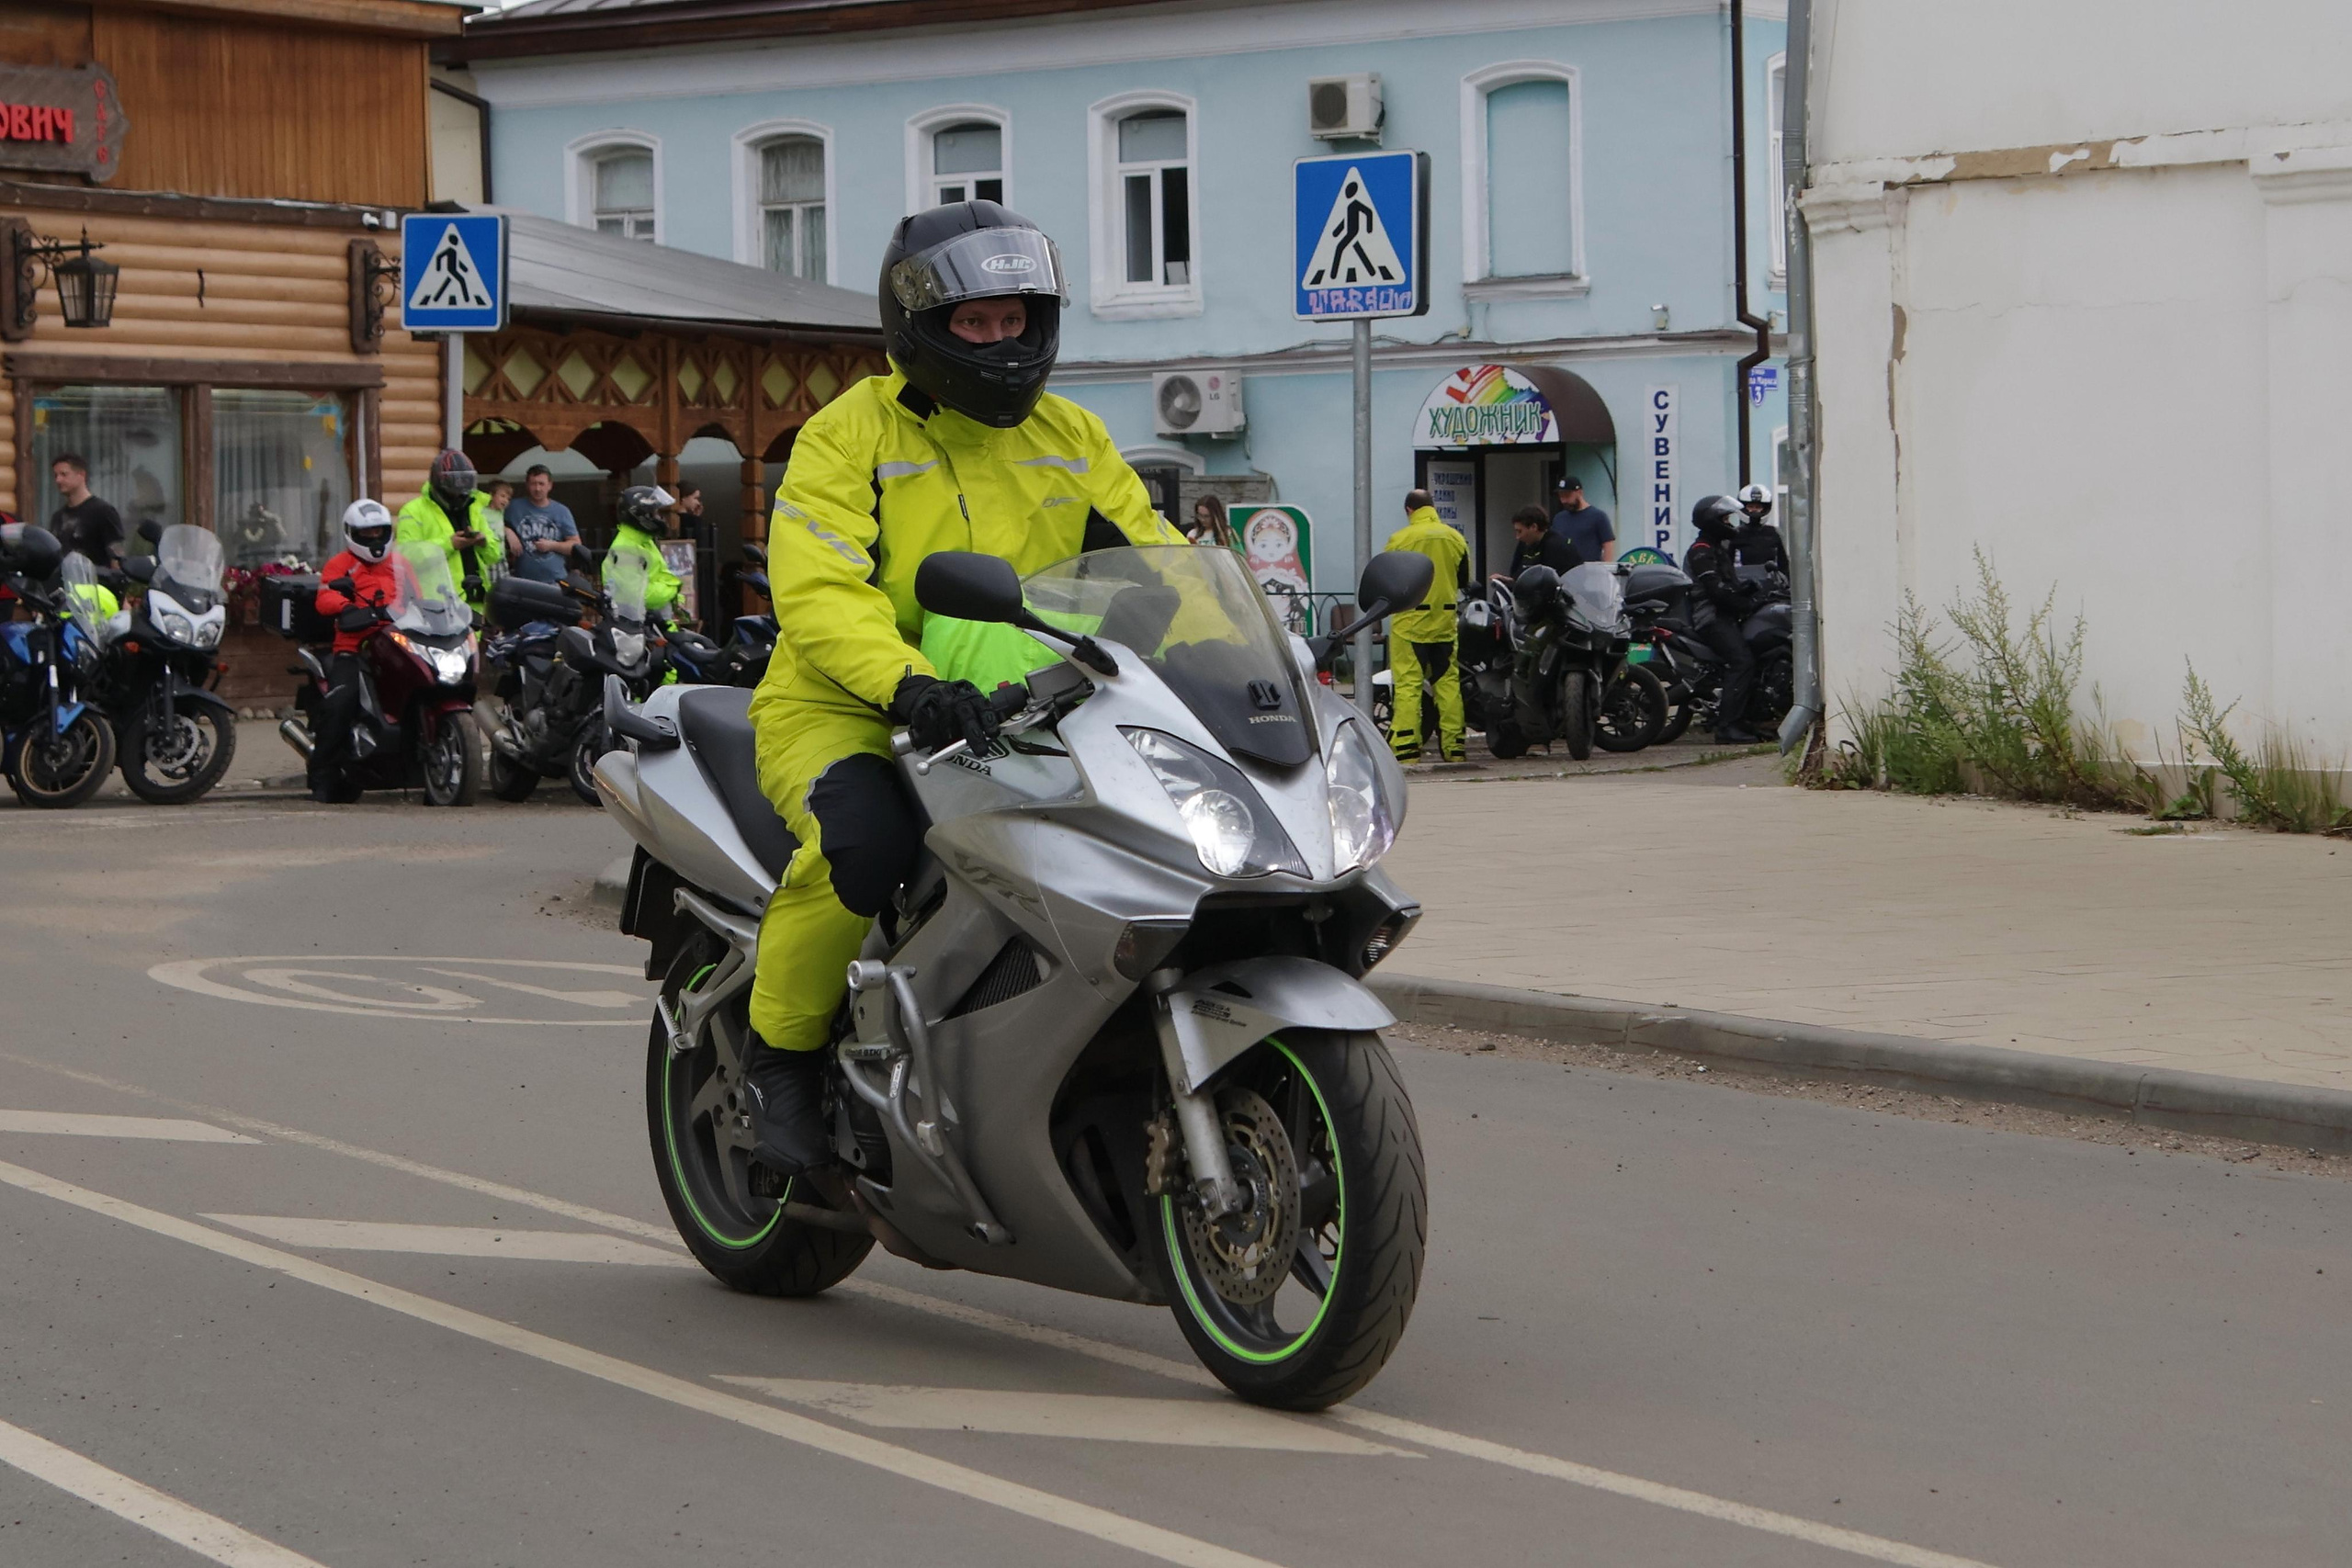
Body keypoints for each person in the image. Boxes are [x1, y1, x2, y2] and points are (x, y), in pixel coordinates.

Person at [739, 199, 1183, 1177]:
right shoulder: (845, 436)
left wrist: (1244, 652)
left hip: (1034, 708)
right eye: (973, 322)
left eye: (1012, 319)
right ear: (920, 326)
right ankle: (778, 1058)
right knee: (862, 846)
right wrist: (908, 684)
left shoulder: (1072, 434)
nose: (998, 341)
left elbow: (1156, 558)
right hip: (848, 707)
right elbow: (820, 589)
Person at [308, 500, 401, 803]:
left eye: (379, 532)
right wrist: (347, 608)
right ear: (352, 533)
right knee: (341, 703)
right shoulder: (340, 564)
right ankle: (322, 776)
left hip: (396, 642)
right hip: (355, 646)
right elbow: (325, 597)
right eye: (367, 533)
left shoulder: (401, 564)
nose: (374, 538)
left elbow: (421, 593)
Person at [1383, 490, 1469, 763]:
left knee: (1409, 685)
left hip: (1409, 623)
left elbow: (1387, 581)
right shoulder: (1455, 538)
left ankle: (1407, 750)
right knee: (1447, 682)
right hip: (1444, 622)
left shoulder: (1400, 539)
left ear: (1409, 510)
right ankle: (1455, 748)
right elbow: (1463, 579)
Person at [1683, 493, 1761, 744]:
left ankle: (1744, 719)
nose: (1730, 524)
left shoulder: (1718, 549)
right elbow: (1716, 591)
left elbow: (1730, 586)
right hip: (1710, 618)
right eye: (1726, 519)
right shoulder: (1701, 551)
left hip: (1724, 615)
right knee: (1741, 662)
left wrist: (1751, 593)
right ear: (1713, 521)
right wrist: (1744, 602)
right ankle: (1727, 727)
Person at [396, 449, 501, 613]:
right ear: (440, 485)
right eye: (454, 491)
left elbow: (494, 555)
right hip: (436, 605)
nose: (460, 496)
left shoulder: (473, 507)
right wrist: (449, 545)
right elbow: (407, 557)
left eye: (464, 489)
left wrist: (483, 542)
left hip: (475, 601)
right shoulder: (413, 511)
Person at [605, 483, 684, 622]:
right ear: (641, 515)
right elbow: (640, 595)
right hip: (638, 626)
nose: (660, 518)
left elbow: (657, 575)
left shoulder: (644, 541)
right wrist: (672, 589)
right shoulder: (625, 549)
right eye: (656, 513)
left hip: (655, 623)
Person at [504, 465, 580, 583]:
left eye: (541, 484)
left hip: (555, 581)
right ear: (527, 485)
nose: (537, 488)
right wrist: (507, 531)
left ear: (550, 485)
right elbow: (489, 521)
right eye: (533, 484)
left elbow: (576, 546)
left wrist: (552, 545)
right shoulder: (513, 507)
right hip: (522, 581)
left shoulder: (561, 511)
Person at [47, 455, 124, 569]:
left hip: (97, 578)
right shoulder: (58, 517)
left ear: (81, 475)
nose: (58, 480)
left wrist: (117, 575)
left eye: (64, 474)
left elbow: (117, 558)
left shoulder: (103, 512)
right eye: (56, 475)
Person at [1505, 504, 1585, 580]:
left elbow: (1554, 581)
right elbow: (1515, 574)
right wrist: (1509, 582)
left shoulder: (1557, 546)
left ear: (1534, 527)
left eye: (1520, 531)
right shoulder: (1524, 543)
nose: (1517, 537)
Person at [1550, 476, 1614, 563]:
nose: (1563, 500)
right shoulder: (1558, 519)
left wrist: (1606, 568)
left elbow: (1608, 545)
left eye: (1567, 495)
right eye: (1561, 496)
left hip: (1589, 569)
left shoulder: (1598, 516)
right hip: (1564, 569)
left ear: (1579, 493)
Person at [1733, 482, 1787, 574]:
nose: (1754, 510)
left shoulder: (1774, 533)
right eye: (1750, 506)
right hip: (1742, 581)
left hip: (1770, 581)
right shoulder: (1734, 534)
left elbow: (1783, 565)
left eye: (1758, 507)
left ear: (1765, 508)